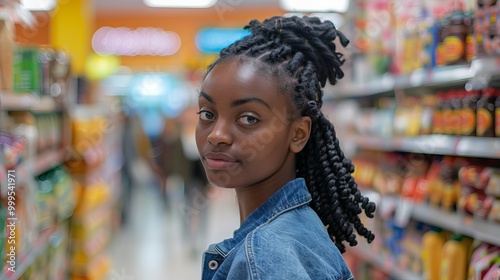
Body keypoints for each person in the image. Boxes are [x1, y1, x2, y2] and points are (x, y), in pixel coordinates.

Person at [195, 15, 376, 279]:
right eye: (207, 114)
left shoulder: (265, 254)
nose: (216, 135)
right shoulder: (296, 227)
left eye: (248, 118)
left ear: (298, 133)